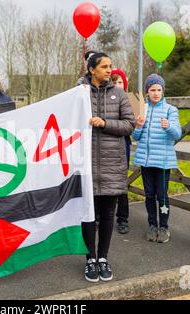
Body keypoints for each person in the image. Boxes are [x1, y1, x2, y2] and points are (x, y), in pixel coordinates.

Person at [80, 51, 136, 282]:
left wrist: (105, 123)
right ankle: (90, 259)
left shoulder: (119, 93)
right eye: (104, 66)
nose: (109, 70)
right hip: (86, 164)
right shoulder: (79, 94)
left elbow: (129, 125)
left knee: (107, 215)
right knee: (88, 216)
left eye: (110, 66)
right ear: (92, 69)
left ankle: (103, 257)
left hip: (112, 165)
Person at [132, 74, 182, 244]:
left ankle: (164, 227)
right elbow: (136, 137)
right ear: (147, 92)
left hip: (162, 162)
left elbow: (177, 133)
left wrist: (169, 127)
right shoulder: (142, 108)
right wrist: (138, 126)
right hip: (146, 162)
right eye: (152, 90)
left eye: (159, 90)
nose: (156, 93)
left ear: (163, 91)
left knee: (162, 195)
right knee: (149, 195)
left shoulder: (170, 110)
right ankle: (152, 225)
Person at [111, 68, 132, 235]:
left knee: (122, 181)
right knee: (104, 180)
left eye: (120, 82)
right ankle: (99, 216)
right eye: (114, 82)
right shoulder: (105, 100)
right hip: (106, 145)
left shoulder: (129, 102)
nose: (117, 85)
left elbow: (130, 126)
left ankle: (123, 218)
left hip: (123, 143)